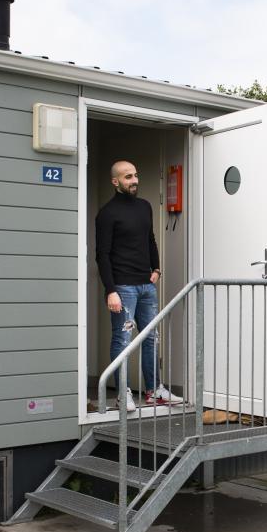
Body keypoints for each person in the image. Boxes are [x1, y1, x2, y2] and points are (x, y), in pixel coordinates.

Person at [95, 160, 181, 408]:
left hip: (146, 286)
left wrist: (156, 268)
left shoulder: (145, 207)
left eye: (135, 175)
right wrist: (110, 290)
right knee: (122, 340)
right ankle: (124, 394)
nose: (134, 180)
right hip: (122, 288)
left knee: (151, 337)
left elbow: (150, 239)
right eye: (128, 176)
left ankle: (155, 390)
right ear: (116, 182)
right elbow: (102, 255)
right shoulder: (107, 214)